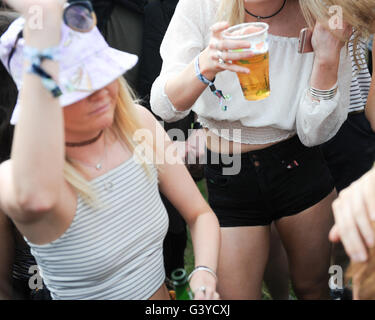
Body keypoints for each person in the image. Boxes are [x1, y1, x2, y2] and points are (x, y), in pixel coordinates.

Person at [0, 0, 220, 300]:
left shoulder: (138, 125)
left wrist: (204, 272)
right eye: (82, 86)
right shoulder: (15, 177)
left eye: (103, 72)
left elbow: (199, 214)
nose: (103, 91)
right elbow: (33, 199)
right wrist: (42, 33)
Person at [151, 0, 353, 300]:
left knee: (315, 288)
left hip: (298, 163)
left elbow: (314, 134)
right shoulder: (203, 6)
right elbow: (164, 105)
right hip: (228, 170)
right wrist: (206, 64)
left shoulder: (328, 11)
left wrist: (327, 60)